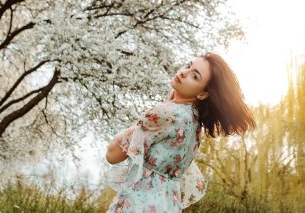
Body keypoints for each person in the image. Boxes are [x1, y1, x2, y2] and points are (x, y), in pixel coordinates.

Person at [105, 52, 257, 213]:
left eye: (195, 76)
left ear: (203, 94)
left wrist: (148, 117)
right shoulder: (194, 123)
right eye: (188, 65)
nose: (184, 73)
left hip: (138, 206)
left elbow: (112, 154)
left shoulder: (166, 113)